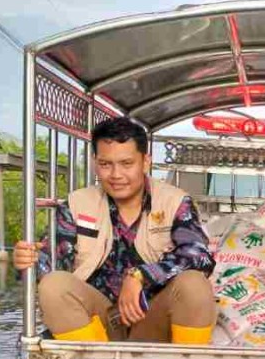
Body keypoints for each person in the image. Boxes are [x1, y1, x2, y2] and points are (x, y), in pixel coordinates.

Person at [13, 117, 216, 344]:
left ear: (145, 161)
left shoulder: (175, 201)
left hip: (154, 323)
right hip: (99, 323)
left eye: (126, 163)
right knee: (53, 285)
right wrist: (30, 260)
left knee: (194, 283)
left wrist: (140, 275)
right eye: (105, 164)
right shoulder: (77, 203)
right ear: (94, 162)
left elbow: (199, 256)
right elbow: (55, 265)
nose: (116, 175)